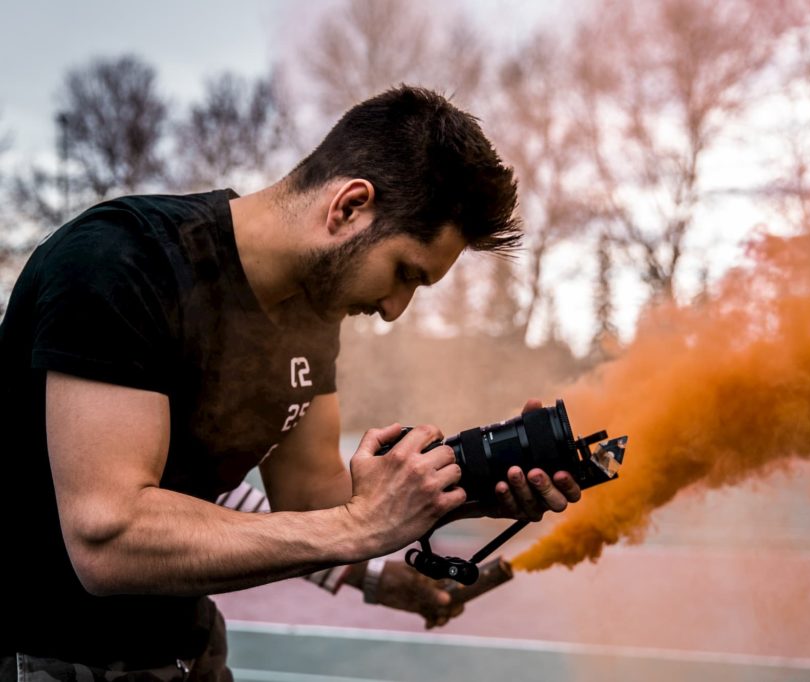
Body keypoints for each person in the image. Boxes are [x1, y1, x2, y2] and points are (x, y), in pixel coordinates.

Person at [0, 85, 581, 681]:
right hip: (49, 657)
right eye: (405, 273)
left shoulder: (309, 313)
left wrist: (467, 484)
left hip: (187, 650)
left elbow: (310, 498)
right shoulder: (119, 261)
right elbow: (109, 539)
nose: (395, 309)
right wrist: (362, 527)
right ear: (349, 207)